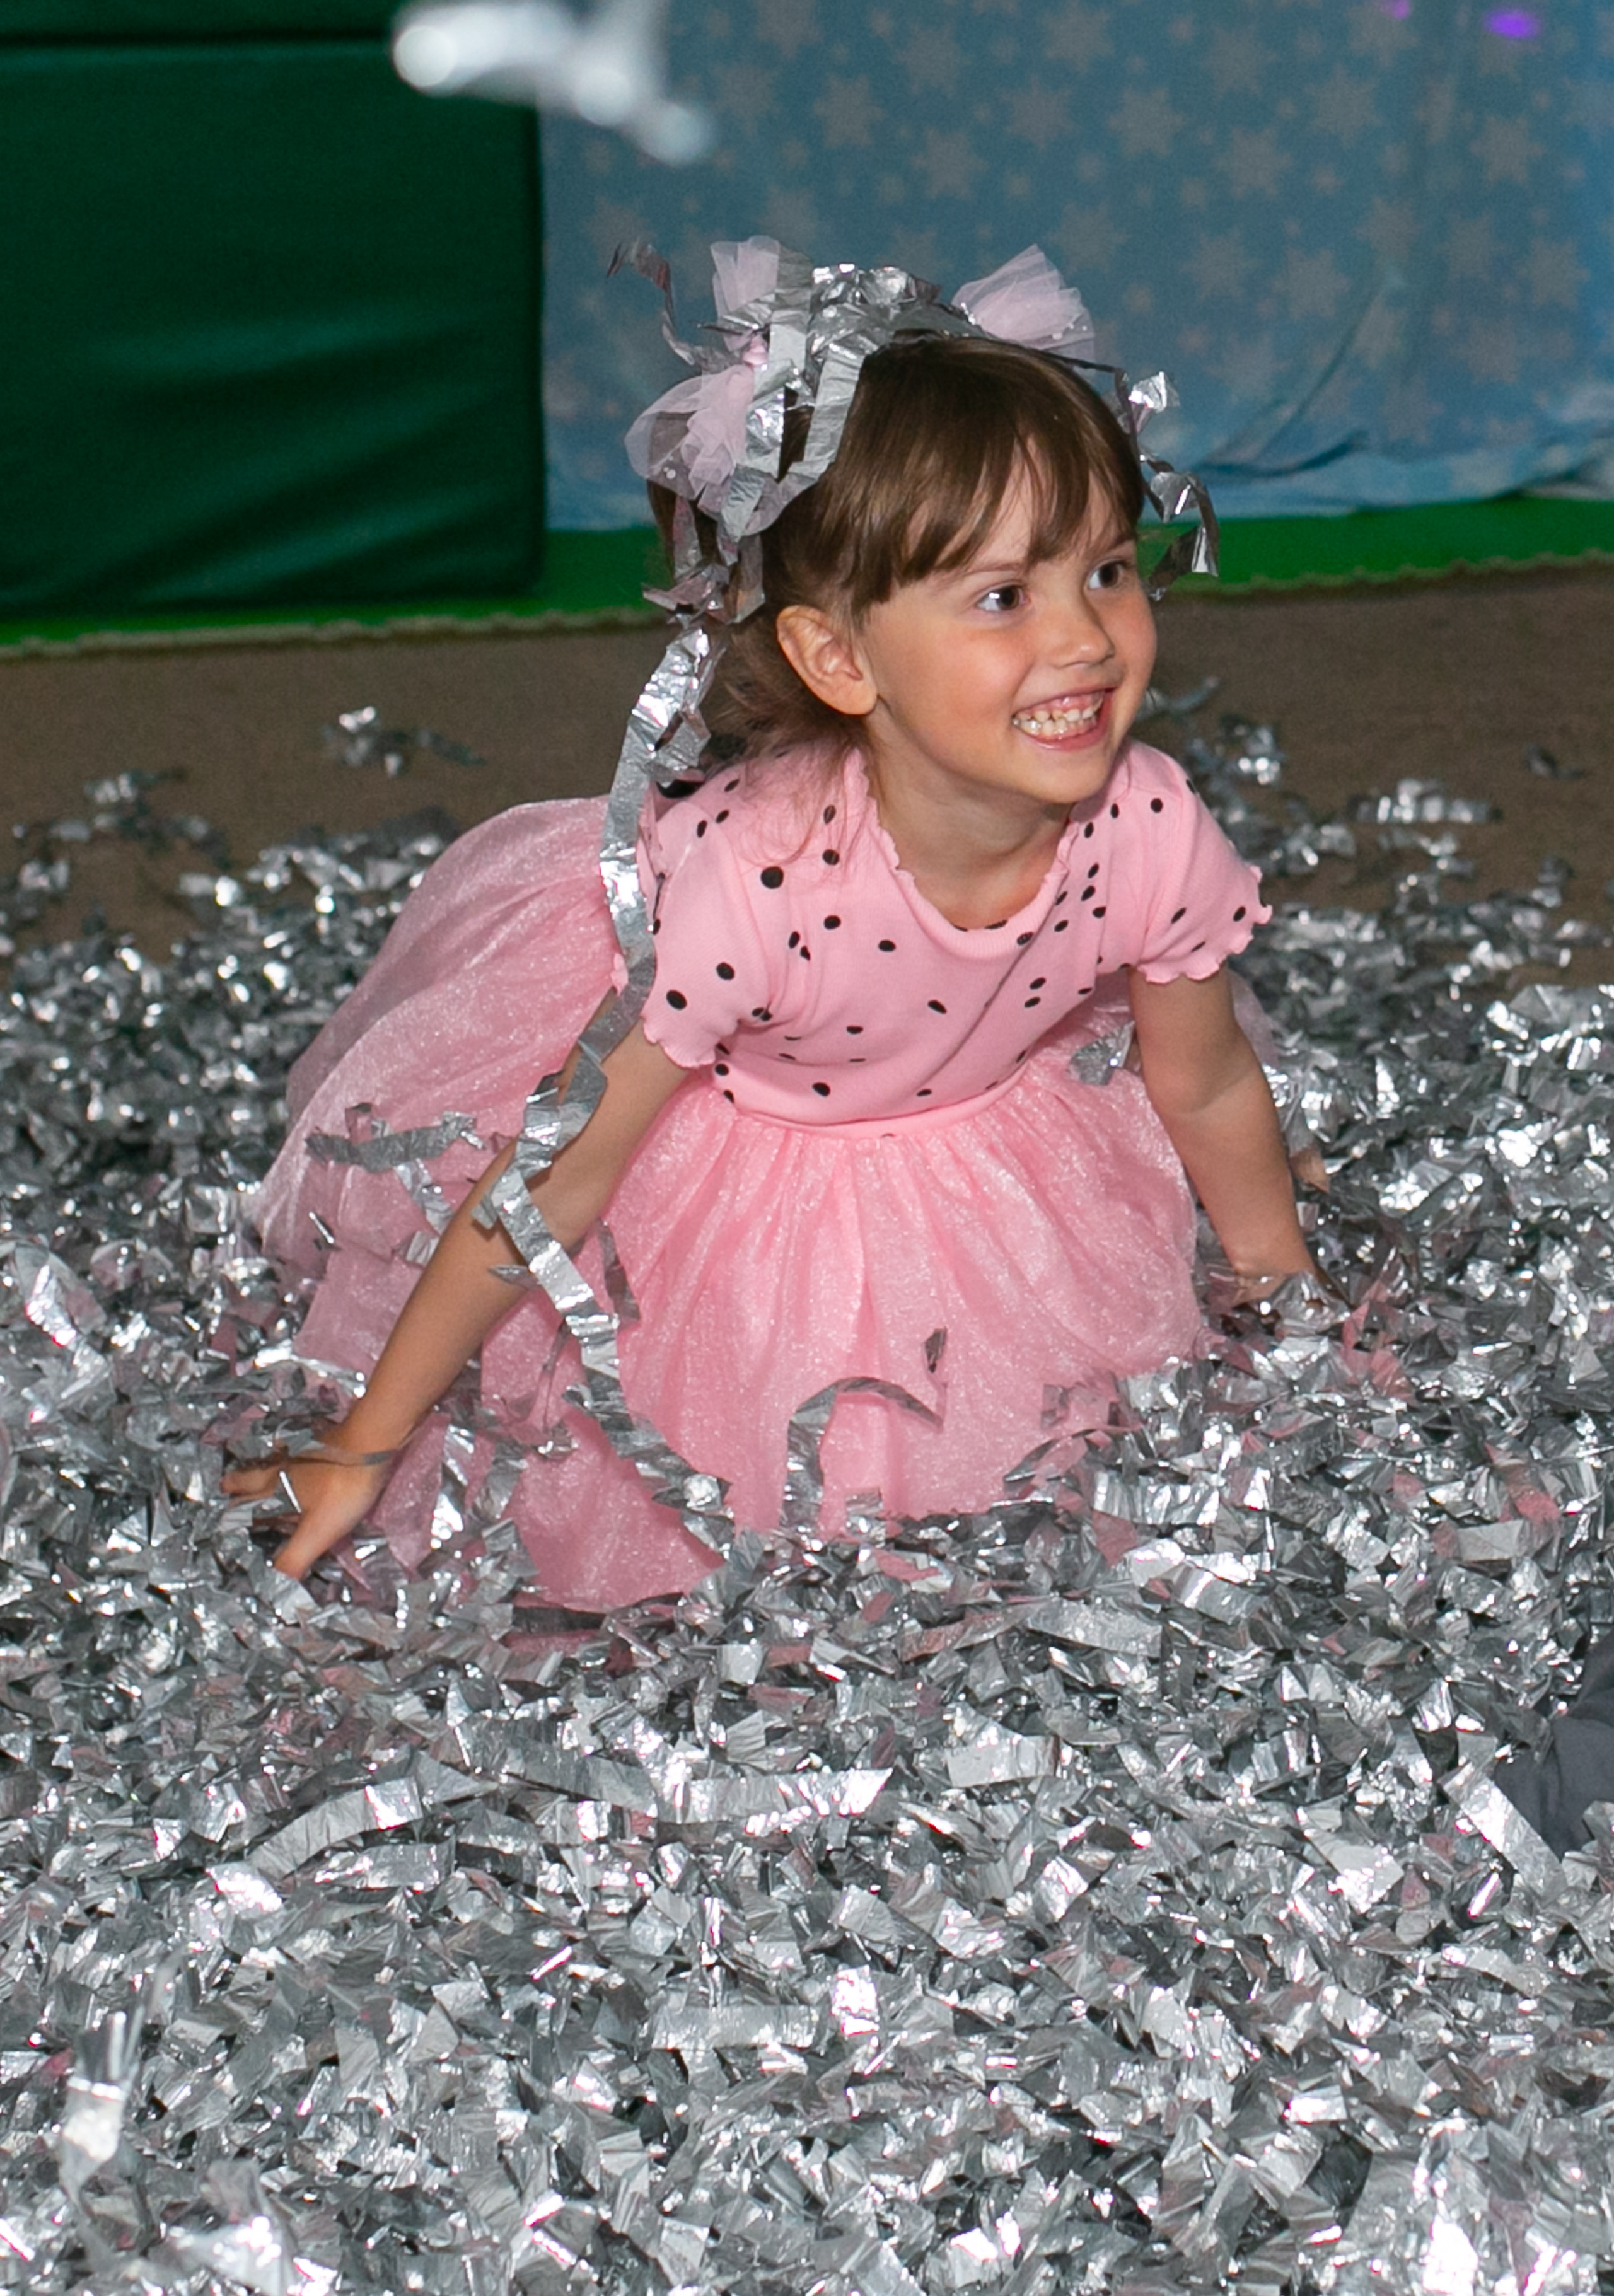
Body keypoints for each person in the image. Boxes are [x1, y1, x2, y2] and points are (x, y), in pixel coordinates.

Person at [223, 242, 1315, 1604]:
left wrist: (1281, 1298)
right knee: (764, 1526)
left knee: (1051, 1493)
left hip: (982, 1122)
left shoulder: (1144, 826)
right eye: (1001, 596)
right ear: (838, 658)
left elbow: (1201, 1082)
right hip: (744, 1142)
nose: (1086, 639)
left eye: (1104, 570)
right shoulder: (756, 892)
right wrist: (363, 1446)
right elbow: (552, 1188)